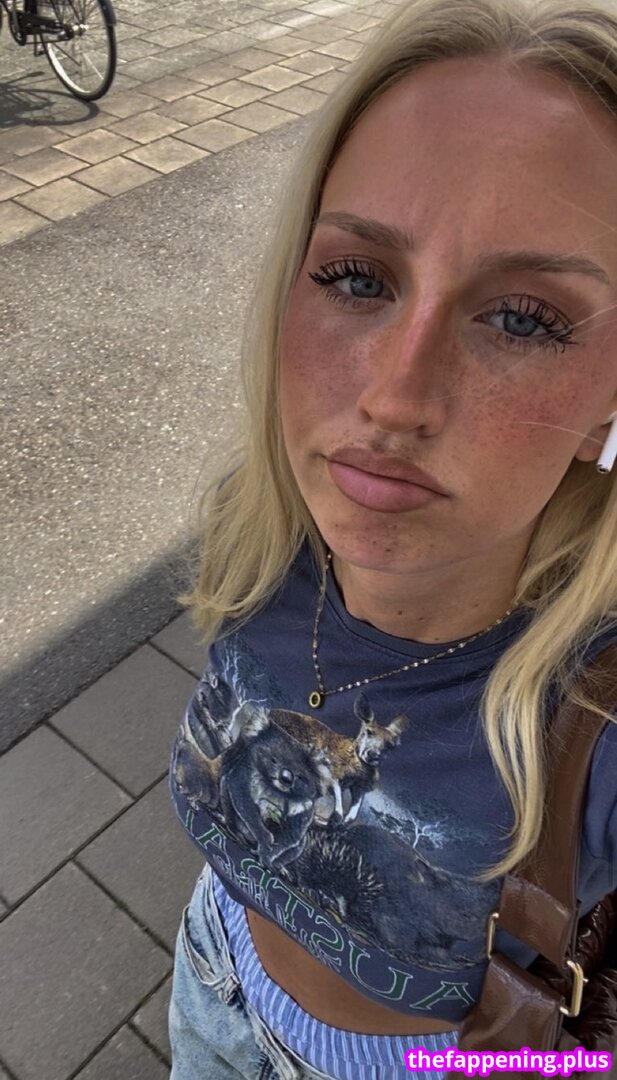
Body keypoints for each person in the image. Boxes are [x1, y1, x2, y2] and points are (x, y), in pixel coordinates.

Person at [167, 0, 617, 1076]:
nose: (394, 398)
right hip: (211, 967)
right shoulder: (263, 531)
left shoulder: (595, 714)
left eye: (521, 318)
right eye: (357, 278)